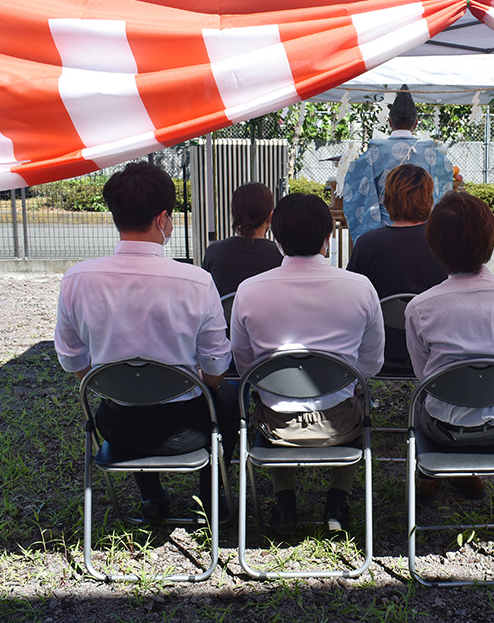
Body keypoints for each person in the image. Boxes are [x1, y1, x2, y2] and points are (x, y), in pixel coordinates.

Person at [54, 162, 239, 522]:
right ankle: (210, 497)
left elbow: (73, 361)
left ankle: (151, 499)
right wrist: (203, 382)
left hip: (119, 429)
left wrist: (122, 382)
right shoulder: (196, 282)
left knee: (132, 389)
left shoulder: (77, 279)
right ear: (164, 219)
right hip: (188, 430)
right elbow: (216, 367)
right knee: (228, 399)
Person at [230, 193, 385, 535]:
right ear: (328, 235)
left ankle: (285, 503)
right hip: (340, 422)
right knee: (358, 395)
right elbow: (371, 364)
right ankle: (337, 500)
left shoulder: (249, 290)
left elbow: (245, 368)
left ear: (277, 236)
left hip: (276, 425)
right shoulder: (360, 288)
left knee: (264, 398)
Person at [405, 191, 494, 499]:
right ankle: (465, 475)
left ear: (434, 244)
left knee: (425, 402)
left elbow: (423, 376)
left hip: (442, 426)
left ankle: (430, 475)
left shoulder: (421, 307)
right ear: (491, 239)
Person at [347, 164, 447, 368]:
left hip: (382, 347)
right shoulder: (445, 243)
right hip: (435, 347)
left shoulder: (367, 244)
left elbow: (352, 300)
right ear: (429, 200)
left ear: (387, 200)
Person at [340, 84, 455, 240]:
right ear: (416, 122)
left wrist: (371, 233)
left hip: (384, 228)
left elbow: (356, 187)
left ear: (389, 122)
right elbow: (444, 182)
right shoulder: (432, 154)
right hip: (423, 232)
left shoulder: (374, 153)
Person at [201, 182, 283, 297]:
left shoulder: (215, 251)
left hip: (224, 315)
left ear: (235, 215)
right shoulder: (279, 255)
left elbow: (205, 296)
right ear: (270, 217)